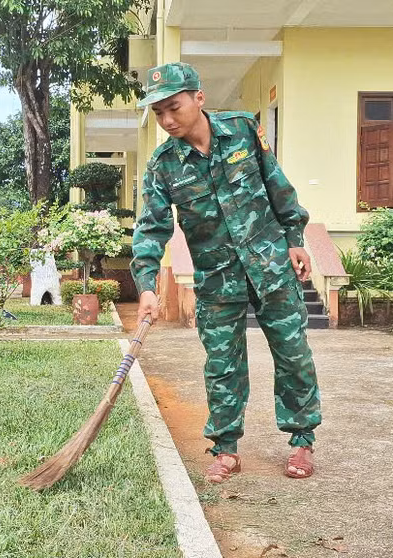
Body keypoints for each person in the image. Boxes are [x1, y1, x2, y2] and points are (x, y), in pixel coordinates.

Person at [131, 62, 321, 483]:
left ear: (199, 98)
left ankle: (301, 441)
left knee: (293, 357)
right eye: (158, 113)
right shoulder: (163, 166)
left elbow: (278, 187)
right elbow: (151, 228)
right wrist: (146, 286)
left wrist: (295, 238)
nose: (166, 120)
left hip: (271, 264)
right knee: (222, 365)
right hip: (218, 280)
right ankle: (226, 448)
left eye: (173, 107)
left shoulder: (242, 130)